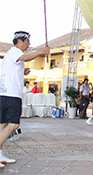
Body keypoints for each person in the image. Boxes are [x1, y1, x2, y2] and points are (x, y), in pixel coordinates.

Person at [0, 31, 50, 169]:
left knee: (3, 125)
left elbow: (11, 70)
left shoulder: (10, 54)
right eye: (27, 41)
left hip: (4, 95)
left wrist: (23, 72)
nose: (29, 44)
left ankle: (0, 154)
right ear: (20, 41)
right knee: (13, 125)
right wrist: (41, 52)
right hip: (11, 96)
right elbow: (24, 57)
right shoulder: (16, 51)